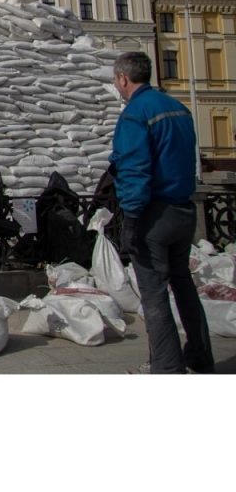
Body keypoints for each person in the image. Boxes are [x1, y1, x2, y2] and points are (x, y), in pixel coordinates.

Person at [111, 51, 214, 374]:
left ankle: (166, 368)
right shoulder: (179, 108)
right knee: (184, 286)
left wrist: (131, 217)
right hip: (184, 209)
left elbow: (134, 168)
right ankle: (199, 356)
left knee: (154, 294)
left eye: (116, 80)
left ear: (123, 79)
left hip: (154, 214)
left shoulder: (135, 114)